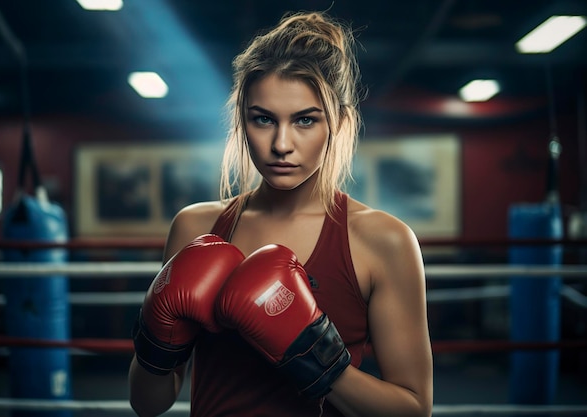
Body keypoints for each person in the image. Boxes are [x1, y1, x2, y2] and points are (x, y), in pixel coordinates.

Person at [128, 10, 433, 417]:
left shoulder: (382, 240)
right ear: (242, 121)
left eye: (305, 120)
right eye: (263, 119)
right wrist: (156, 339)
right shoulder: (195, 227)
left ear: (339, 124)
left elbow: (414, 409)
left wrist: (313, 353)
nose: (281, 144)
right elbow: (147, 405)